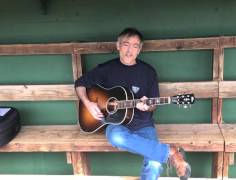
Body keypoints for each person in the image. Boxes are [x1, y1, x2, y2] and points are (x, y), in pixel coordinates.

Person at [75, 27, 191, 180]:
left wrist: (148, 105)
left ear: (140, 49)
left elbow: (154, 104)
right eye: (125, 44)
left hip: (144, 125)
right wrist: (88, 103)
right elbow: (80, 83)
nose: (129, 50)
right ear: (118, 46)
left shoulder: (148, 72)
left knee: (155, 164)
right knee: (116, 138)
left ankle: (166, 153)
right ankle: (170, 152)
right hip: (117, 126)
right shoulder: (106, 69)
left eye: (135, 46)